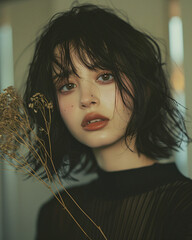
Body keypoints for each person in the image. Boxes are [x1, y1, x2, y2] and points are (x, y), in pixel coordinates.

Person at [23, 4, 192, 240]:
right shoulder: (57, 214)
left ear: (142, 85)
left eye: (105, 76)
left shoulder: (184, 208)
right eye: (67, 86)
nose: (86, 99)